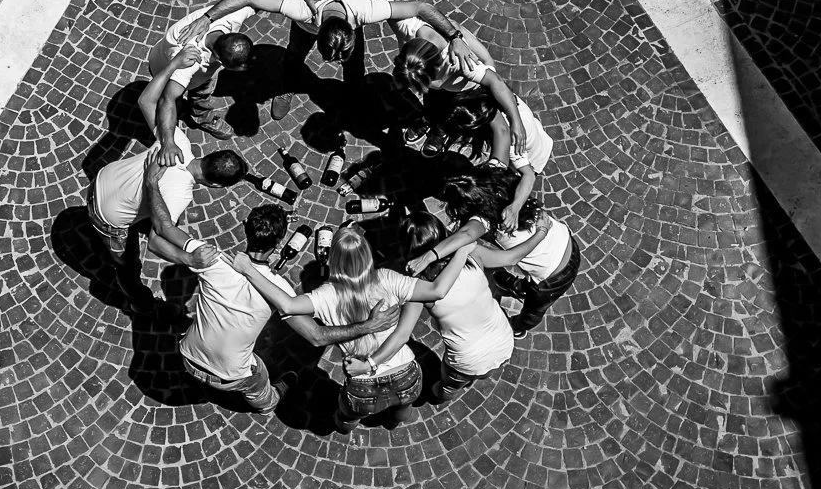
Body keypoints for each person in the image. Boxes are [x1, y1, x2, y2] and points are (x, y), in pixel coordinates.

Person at [141, 160, 399, 413]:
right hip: (232, 377)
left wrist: (152, 183)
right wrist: (368, 326)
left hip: (187, 357)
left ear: (245, 229)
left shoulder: (210, 259)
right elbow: (316, 336)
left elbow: (163, 227)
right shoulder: (279, 289)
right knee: (264, 391)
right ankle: (270, 401)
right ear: (279, 244)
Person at [318, 0, 551, 202]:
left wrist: (513, 122)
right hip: (444, 87)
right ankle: (431, 123)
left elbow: (493, 75)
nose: (414, 92)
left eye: (416, 87)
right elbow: (381, 0)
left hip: (467, 89)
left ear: (433, 73)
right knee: (433, 104)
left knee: (450, 109)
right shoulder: (407, 27)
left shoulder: (459, 61)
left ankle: (440, 130)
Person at [234, 226, 473, 431]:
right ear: (367, 255)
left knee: (347, 418)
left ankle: (344, 429)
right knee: (403, 409)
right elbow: (437, 291)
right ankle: (392, 424)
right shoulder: (387, 278)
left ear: (332, 260)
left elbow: (286, 303)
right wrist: (463, 248)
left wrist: (248, 270)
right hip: (407, 374)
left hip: (362, 385)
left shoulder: (326, 295)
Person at [181, 0, 479, 120]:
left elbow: (421, 7)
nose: (332, 62)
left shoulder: (366, 10)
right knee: (294, 56)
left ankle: (354, 97)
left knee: (355, 68)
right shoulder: (301, 9)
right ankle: (286, 86)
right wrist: (208, 18)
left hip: (347, 14)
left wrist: (454, 37)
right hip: (307, 20)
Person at [90, 50, 246, 298]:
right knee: (125, 262)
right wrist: (188, 257)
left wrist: (173, 63)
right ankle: (130, 288)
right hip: (105, 214)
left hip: (103, 177)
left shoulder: (178, 141)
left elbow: (147, 102)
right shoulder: (178, 195)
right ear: (215, 185)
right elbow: (155, 240)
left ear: (208, 155)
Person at [399, 212, 550, 401]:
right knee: (481, 369)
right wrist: (541, 232)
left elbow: (403, 333)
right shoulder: (472, 253)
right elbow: (511, 258)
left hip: (466, 360)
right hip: (503, 341)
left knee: (446, 387)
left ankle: (438, 395)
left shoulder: (419, 286)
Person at [414, 169, 581, 338]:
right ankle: (519, 287)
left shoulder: (484, 220)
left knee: (534, 310)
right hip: (568, 243)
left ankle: (518, 327)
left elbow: (502, 253)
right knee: (532, 285)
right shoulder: (504, 186)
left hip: (552, 279)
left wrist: (429, 256)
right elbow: (528, 174)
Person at [145, 3, 256, 147]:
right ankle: (176, 121)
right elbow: (167, 100)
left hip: (200, 76)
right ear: (220, 59)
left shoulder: (231, 16)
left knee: (203, 92)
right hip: (167, 72)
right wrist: (169, 143)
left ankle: (201, 117)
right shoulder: (190, 60)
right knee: (173, 104)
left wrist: (294, 0)